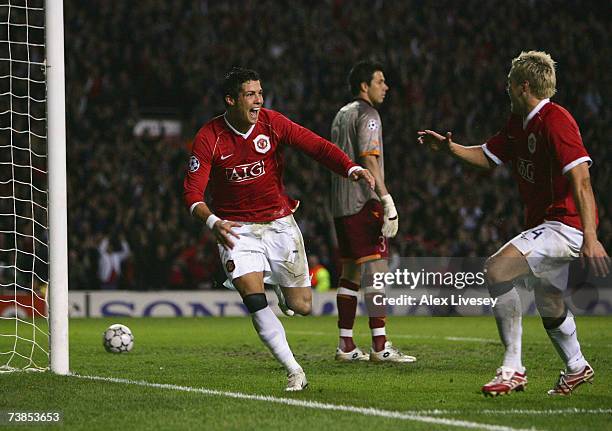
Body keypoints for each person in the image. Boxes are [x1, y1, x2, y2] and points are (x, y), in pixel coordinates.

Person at [418, 51, 611, 396]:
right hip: (547, 223)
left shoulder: (555, 119)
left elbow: (582, 179)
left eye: (509, 83)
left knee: (497, 269)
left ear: (523, 87)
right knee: (548, 298)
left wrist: (591, 237)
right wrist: (450, 149)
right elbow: (487, 156)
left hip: (565, 225)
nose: (505, 89)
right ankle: (577, 366)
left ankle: (513, 368)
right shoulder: (518, 123)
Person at [183, 67, 374, 391]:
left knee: (301, 307)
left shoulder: (273, 123)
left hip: (278, 222)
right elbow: (191, 193)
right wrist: (213, 221)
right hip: (236, 229)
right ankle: (294, 369)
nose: (258, 100)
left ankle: (280, 291)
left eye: (260, 93)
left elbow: (317, 146)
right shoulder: (209, 137)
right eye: (250, 94)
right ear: (231, 100)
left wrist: (350, 167)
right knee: (254, 298)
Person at [330, 60, 416, 363]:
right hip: (364, 202)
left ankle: (346, 345)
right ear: (364, 86)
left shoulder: (342, 114)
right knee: (377, 273)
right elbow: (370, 160)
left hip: (341, 204)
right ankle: (380, 347)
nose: (386, 86)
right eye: (380, 81)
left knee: (350, 273)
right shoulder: (369, 114)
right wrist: (386, 198)